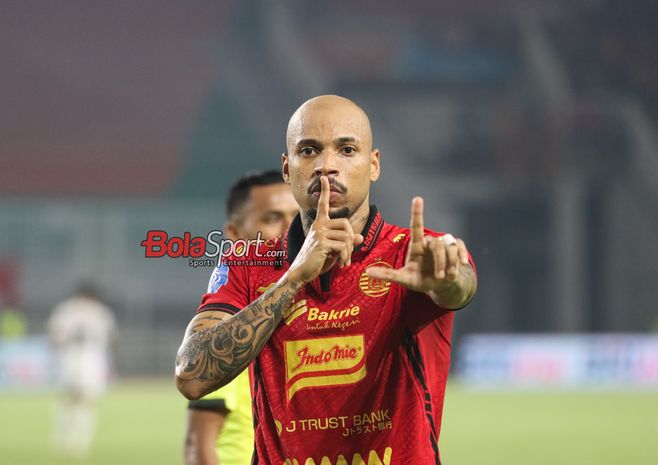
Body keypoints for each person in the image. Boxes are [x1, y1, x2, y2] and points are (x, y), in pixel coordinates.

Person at [175, 95, 477, 464]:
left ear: (374, 164)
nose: (326, 166)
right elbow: (190, 375)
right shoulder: (249, 262)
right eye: (309, 150)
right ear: (287, 169)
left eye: (347, 149)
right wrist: (294, 277)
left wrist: (446, 281)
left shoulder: (413, 256)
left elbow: (460, 284)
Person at [185, 170, 298, 465]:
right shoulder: (232, 329)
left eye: (298, 218)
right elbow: (198, 443)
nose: (289, 231)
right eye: (273, 218)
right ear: (235, 234)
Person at [47, 283, 117, 458]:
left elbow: (54, 335)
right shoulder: (100, 311)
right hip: (90, 356)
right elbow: (110, 338)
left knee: (68, 399)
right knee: (85, 401)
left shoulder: (66, 308)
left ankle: (62, 438)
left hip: (71, 354)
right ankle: (79, 443)